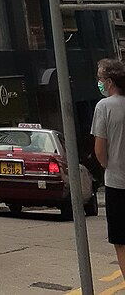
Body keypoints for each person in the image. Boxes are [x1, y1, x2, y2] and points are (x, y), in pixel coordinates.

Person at [93, 58, 125, 280]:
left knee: (121, 242)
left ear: (110, 81)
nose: (99, 83)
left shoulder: (104, 107)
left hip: (117, 182)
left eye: (100, 79)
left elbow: (100, 150)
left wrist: (107, 164)